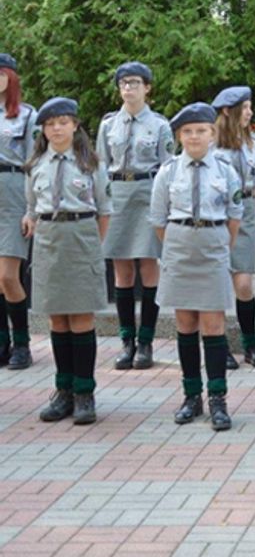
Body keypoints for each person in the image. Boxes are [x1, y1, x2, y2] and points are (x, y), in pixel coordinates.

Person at [151, 103, 243, 430]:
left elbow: (235, 215)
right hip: (179, 245)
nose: (194, 137)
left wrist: (216, 243)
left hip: (214, 244)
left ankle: (218, 398)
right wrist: (180, 241)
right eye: (187, 132)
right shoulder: (168, 171)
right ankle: (192, 396)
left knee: (213, 323)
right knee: (186, 322)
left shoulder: (225, 170)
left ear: (212, 133)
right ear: (179, 135)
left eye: (200, 131)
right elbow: (159, 220)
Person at [24, 97, 108, 424]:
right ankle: (64, 392)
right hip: (49, 239)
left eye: (63, 122)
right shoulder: (35, 165)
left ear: (75, 125)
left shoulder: (91, 163)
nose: (56, 128)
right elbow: (32, 206)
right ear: (43, 130)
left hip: (81, 234)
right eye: (50, 124)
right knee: (57, 318)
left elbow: (105, 211)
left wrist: (92, 244)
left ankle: (85, 393)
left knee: (81, 316)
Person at [97, 61, 174, 371]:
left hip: (147, 194)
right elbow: (101, 166)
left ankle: (146, 341)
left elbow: (168, 168)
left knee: (147, 265)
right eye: (124, 83)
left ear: (147, 87)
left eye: (135, 83)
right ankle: (126, 341)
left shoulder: (159, 125)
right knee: (122, 271)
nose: (128, 88)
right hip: (117, 196)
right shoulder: (108, 125)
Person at [212, 86, 255, 369]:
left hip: (245, 212)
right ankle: (218, 344)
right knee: (218, 282)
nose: (249, 112)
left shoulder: (254, 143)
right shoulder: (211, 144)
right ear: (227, 111)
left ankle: (251, 344)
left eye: (250, 106)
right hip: (217, 213)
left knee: (244, 283)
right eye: (244, 107)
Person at [0, 53, 37, 369]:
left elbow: (33, 165)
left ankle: (22, 344)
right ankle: (3, 343)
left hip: (13, 192)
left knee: (7, 275)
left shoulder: (26, 115)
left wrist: (31, 209)